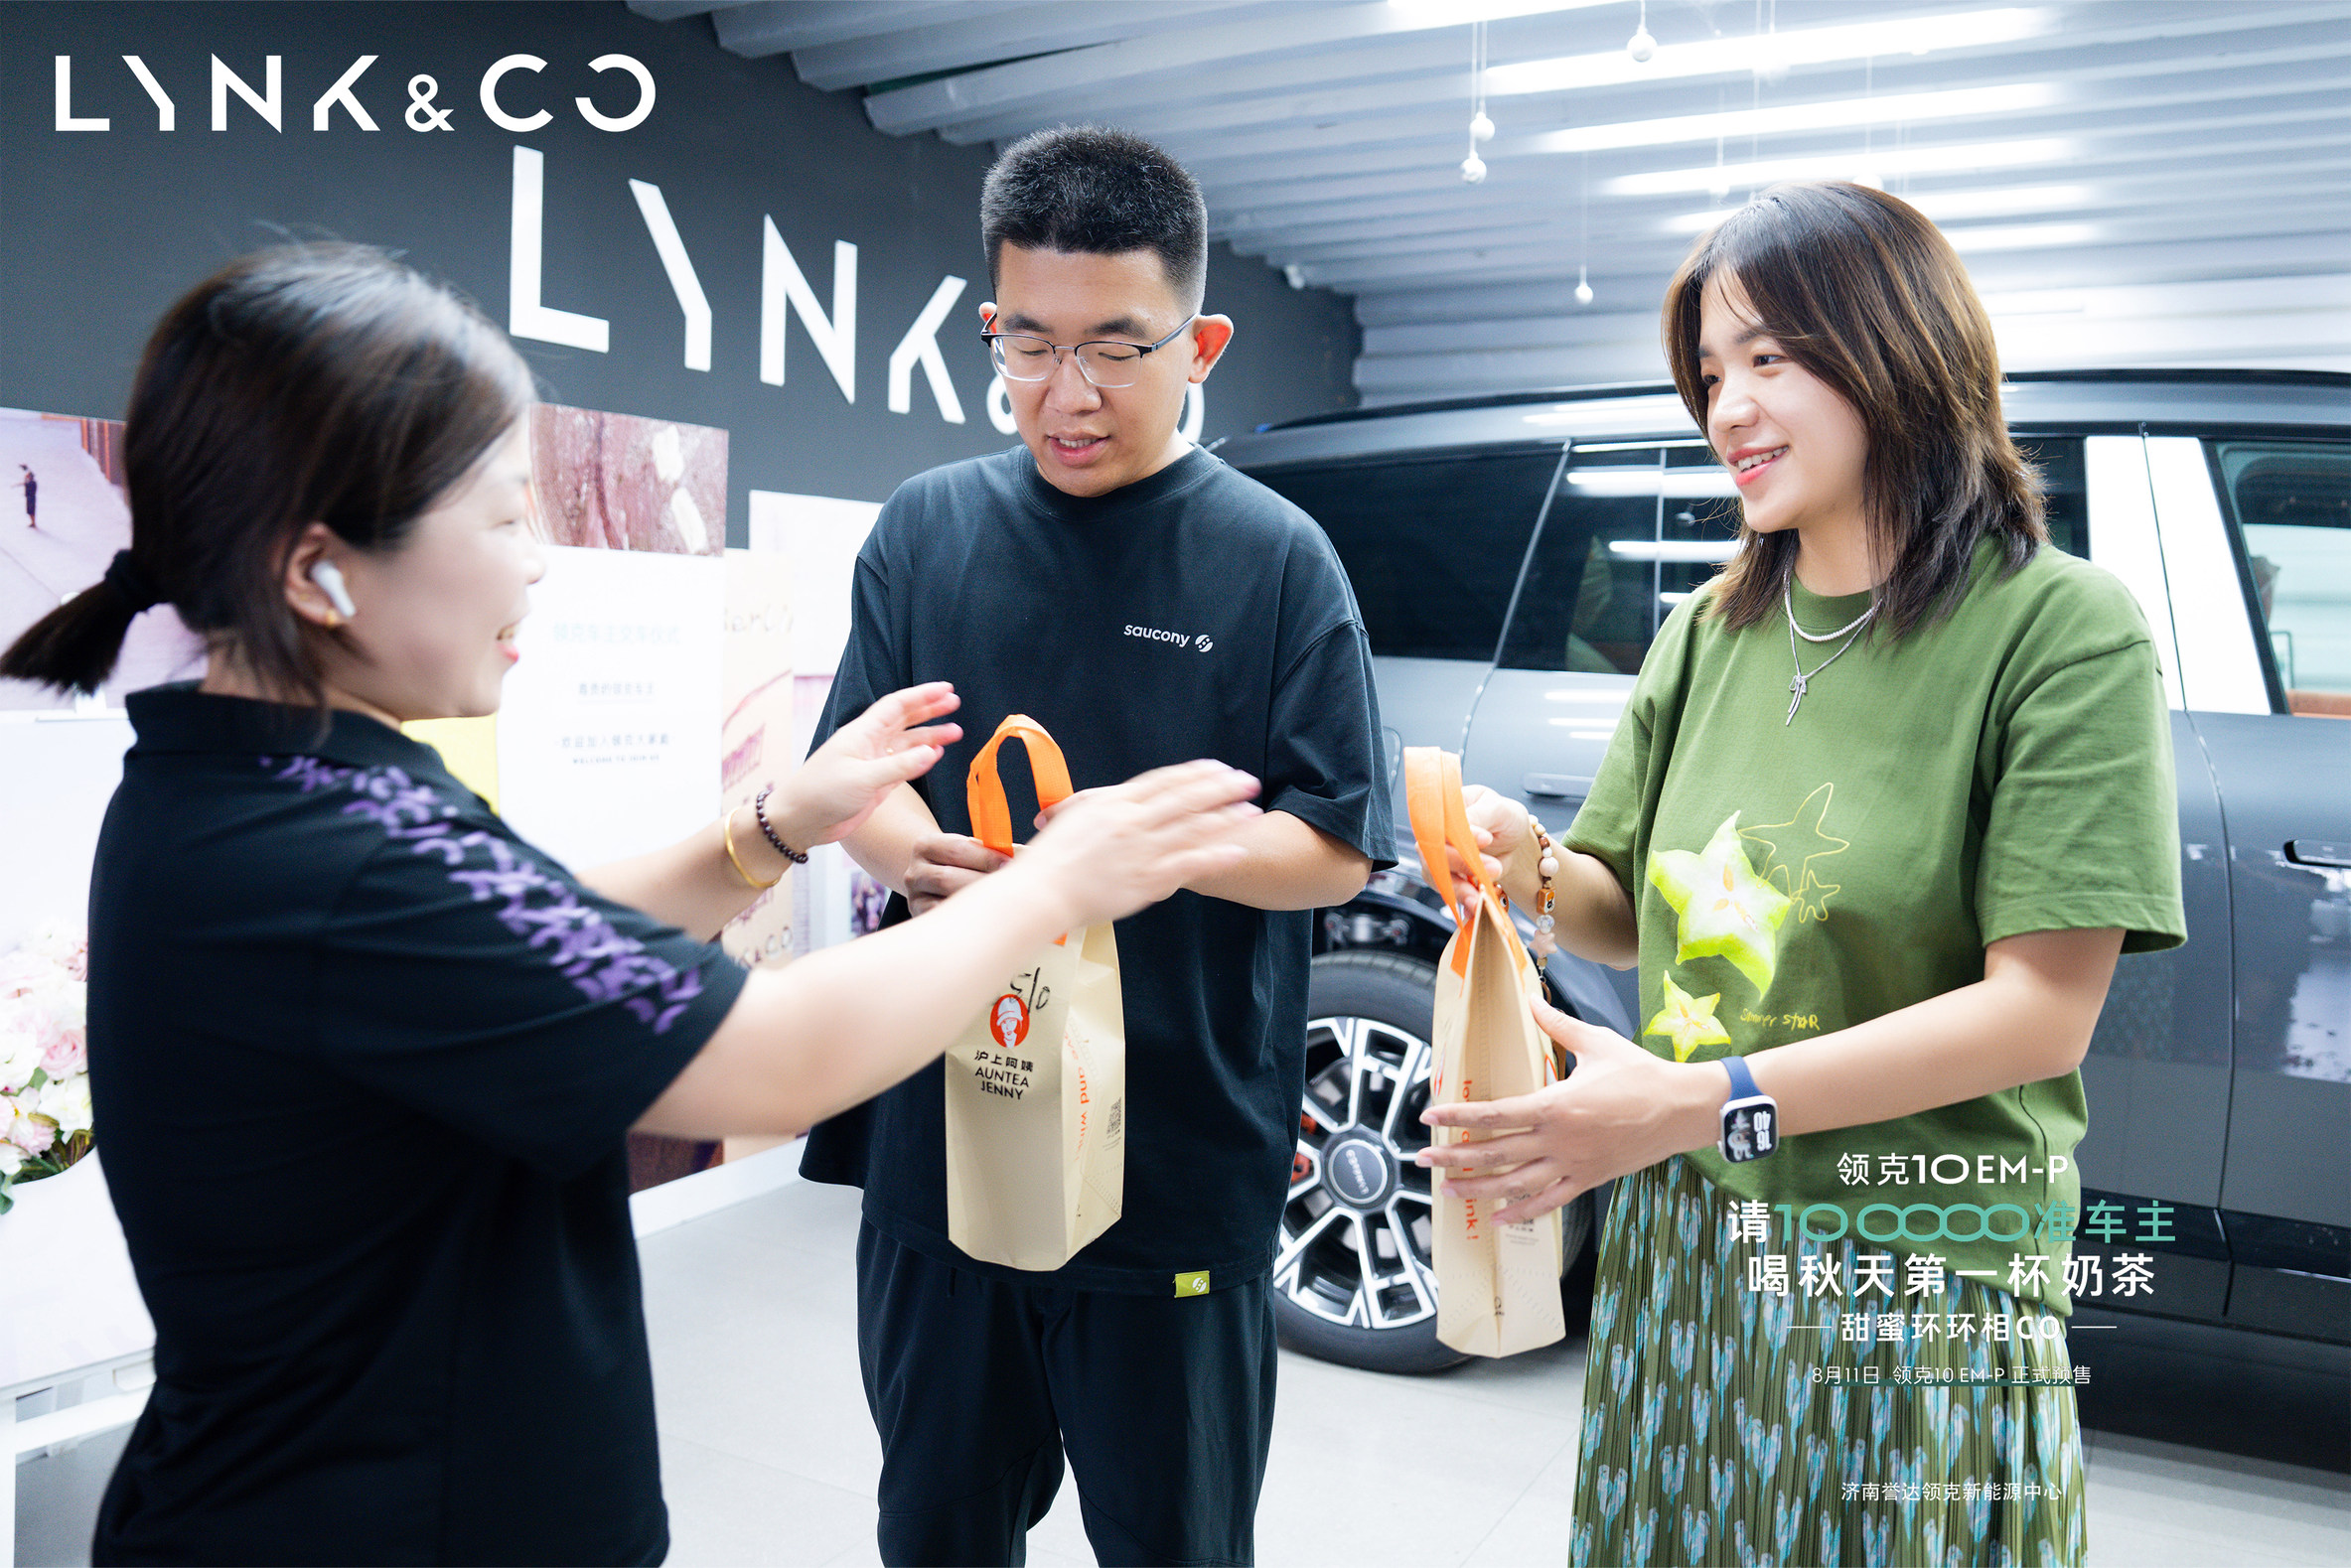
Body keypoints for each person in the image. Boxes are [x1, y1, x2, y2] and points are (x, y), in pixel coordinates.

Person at [0, 244, 1260, 1568]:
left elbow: (523, 937)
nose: (537, 563)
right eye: (502, 518)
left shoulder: (249, 791)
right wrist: (1055, 884)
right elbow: (777, 1059)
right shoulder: (333, 851)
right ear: (321, 573)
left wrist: (771, 830)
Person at [1418, 183, 2184, 1568]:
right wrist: (1528, 865)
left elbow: (2039, 1016)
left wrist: (1695, 1105)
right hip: (1692, 1239)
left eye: (1768, 357)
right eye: (1710, 374)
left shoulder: (2060, 631)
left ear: (1898, 350)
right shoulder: (1709, 630)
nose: (1727, 409)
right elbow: (1623, 907)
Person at [805, 125, 1391, 1567]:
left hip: (1173, 1167)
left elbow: (1334, 846)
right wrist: (912, 855)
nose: (1067, 395)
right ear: (992, 326)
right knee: (936, 1530)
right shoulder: (926, 529)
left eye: (1118, 349)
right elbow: (857, 780)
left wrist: (1149, 854)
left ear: (1201, 345)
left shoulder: (1276, 559)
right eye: (1029, 344)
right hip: (945, 1143)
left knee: (1174, 1541)